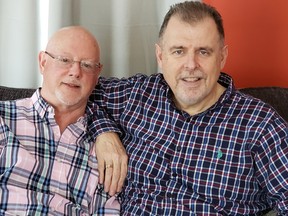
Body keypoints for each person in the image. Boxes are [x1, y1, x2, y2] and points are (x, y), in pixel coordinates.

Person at [91, 1, 288, 215]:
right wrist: (104, 131)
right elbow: (78, 90)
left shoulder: (261, 126)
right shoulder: (138, 95)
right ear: (160, 56)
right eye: (178, 51)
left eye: (203, 52)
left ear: (222, 57)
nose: (191, 64)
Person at [0, 26, 127, 215]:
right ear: (43, 62)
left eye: (86, 65)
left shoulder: (107, 152)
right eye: (64, 60)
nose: (75, 72)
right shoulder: (4, 118)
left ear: (97, 74)